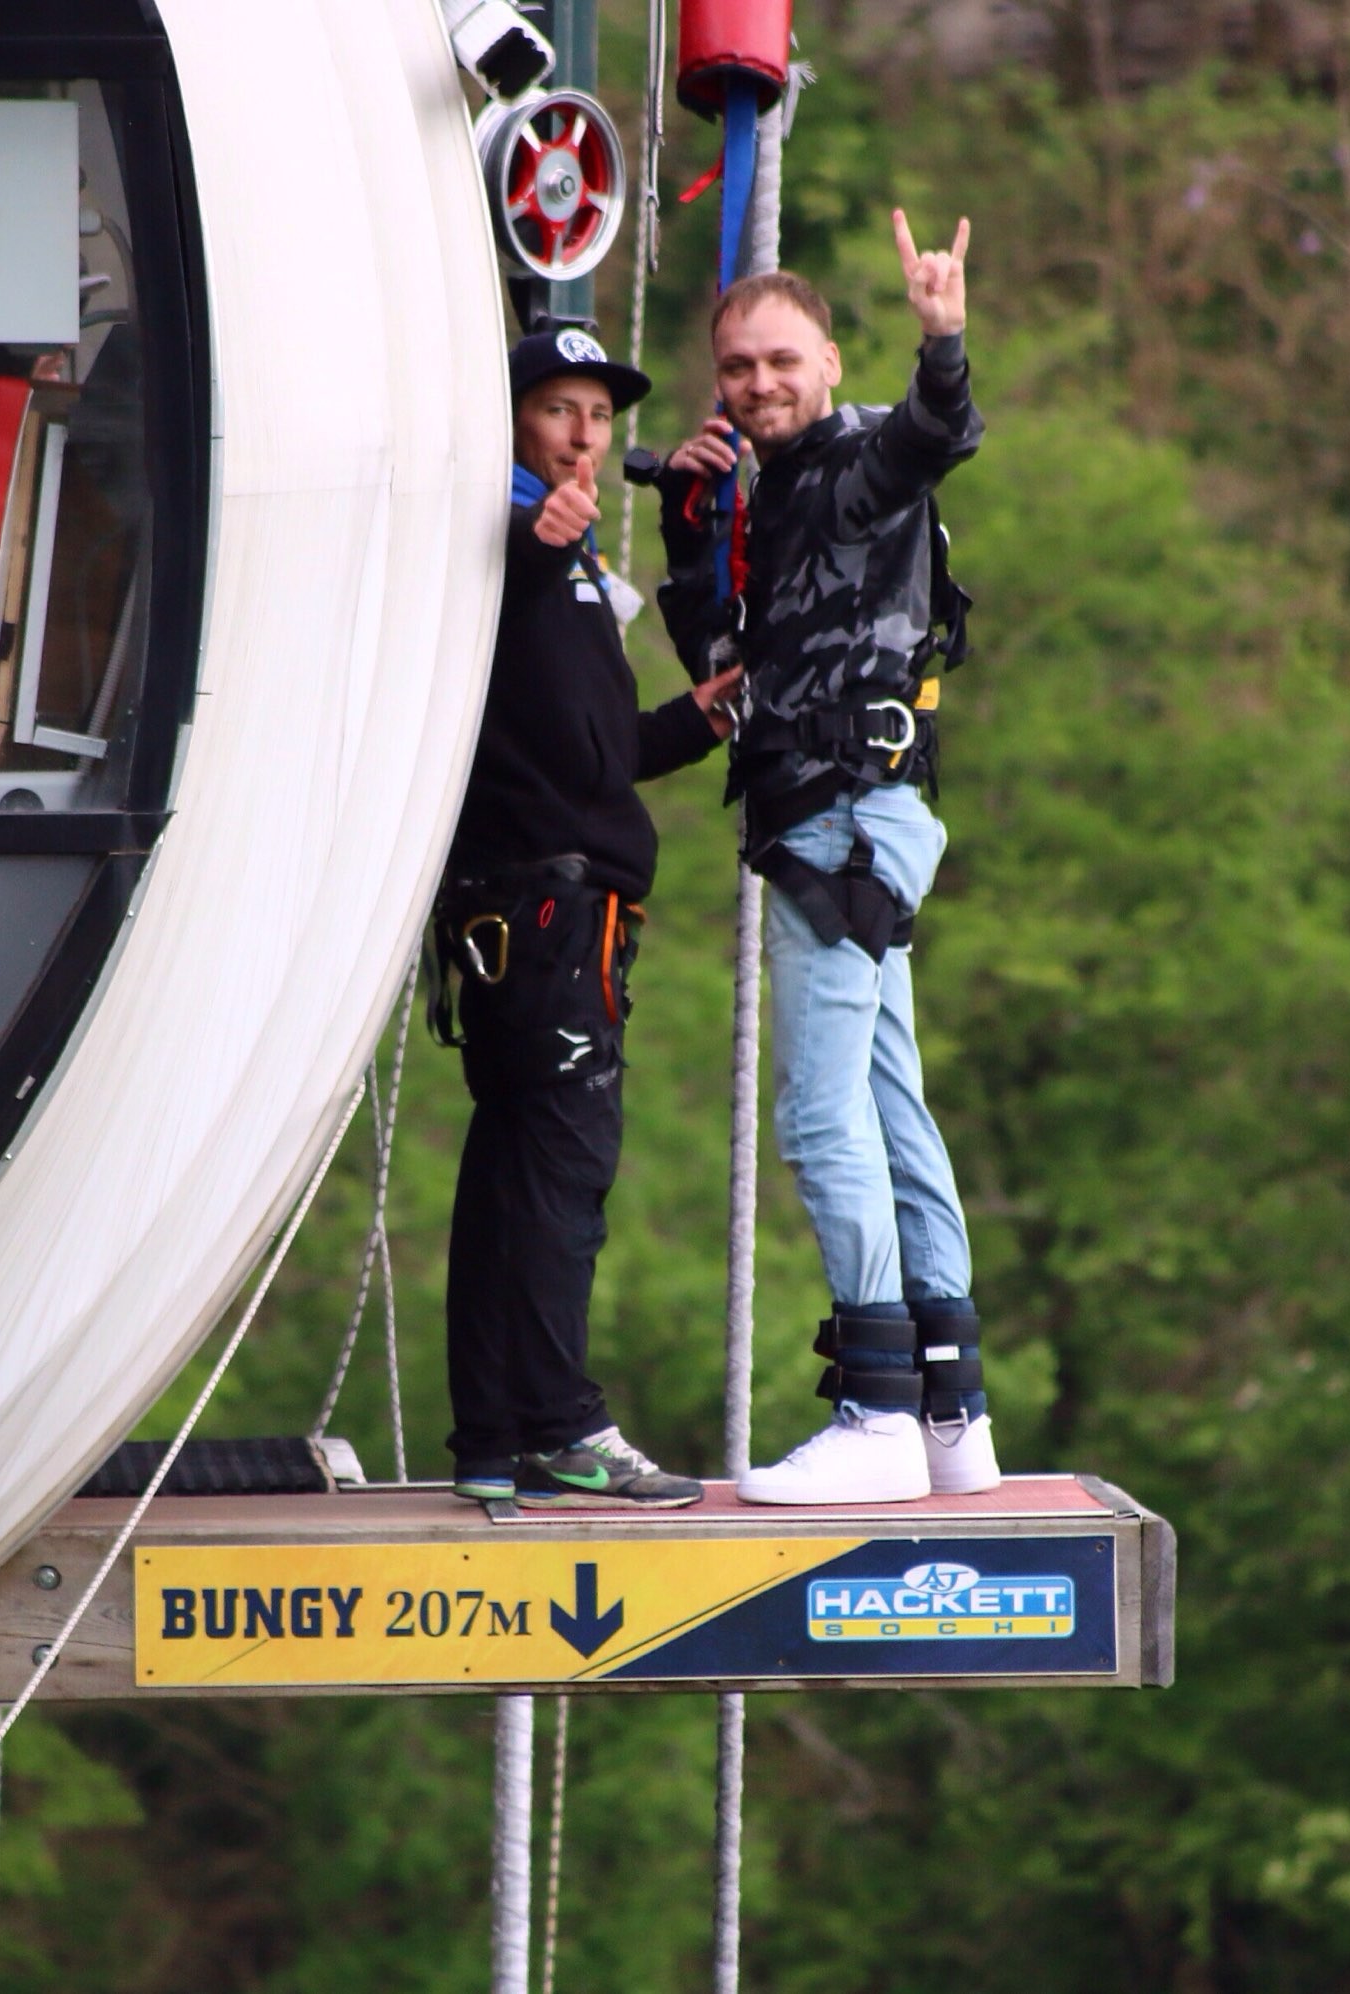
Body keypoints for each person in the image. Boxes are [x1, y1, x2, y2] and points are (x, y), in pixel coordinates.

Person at [657, 212, 996, 1505]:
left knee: (817, 1116)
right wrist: (694, 530)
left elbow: (932, 437)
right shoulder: (768, 494)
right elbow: (723, 670)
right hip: (836, 811)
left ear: (829, 360)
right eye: (737, 368)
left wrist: (944, 338)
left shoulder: (856, 458)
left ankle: (876, 1403)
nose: (758, 385)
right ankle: (952, 1407)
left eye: (781, 362)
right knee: (891, 1104)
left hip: (846, 819)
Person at [432, 327, 743, 1509]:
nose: (582, 435)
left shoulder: (558, 563)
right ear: (507, 418)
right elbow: (485, 545)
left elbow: (591, 754)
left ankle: (492, 1433)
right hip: (552, 912)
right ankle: (560, 1425)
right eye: (556, 409)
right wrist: (534, 539)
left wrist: (693, 719)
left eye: (598, 416)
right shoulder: (504, 533)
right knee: (560, 1174)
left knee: (515, 1173)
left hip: (533, 902)